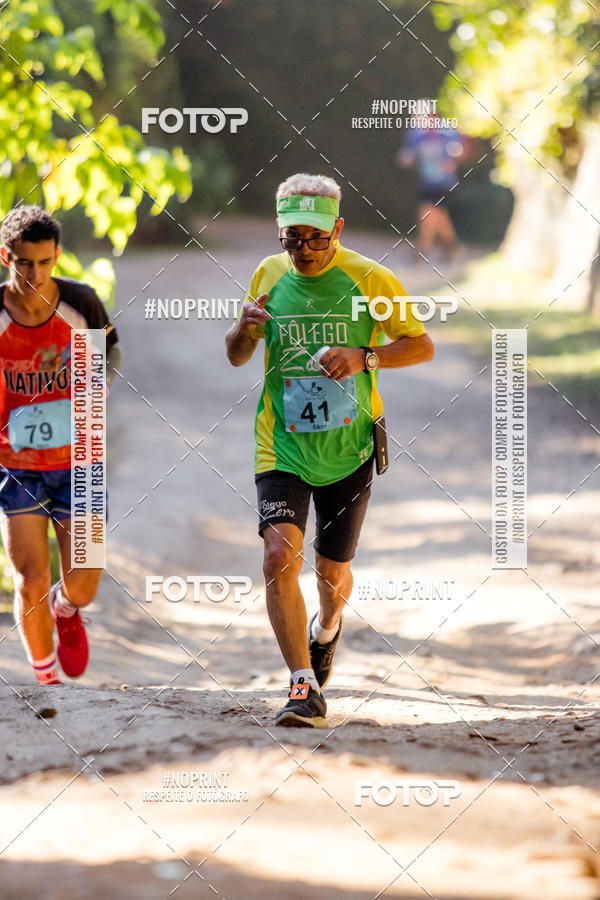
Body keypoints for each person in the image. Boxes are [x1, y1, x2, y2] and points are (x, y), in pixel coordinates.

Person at [225, 173, 434, 727]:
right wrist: (244, 331)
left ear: (337, 228)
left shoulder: (371, 279)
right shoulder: (268, 274)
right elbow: (236, 356)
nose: (303, 250)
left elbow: (421, 345)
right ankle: (302, 687)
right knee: (278, 558)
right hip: (282, 446)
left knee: (330, 573)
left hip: (350, 447)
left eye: (315, 237)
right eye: (292, 237)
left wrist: (364, 356)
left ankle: (327, 628)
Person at [0, 205, 122, 685]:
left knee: (84, 583)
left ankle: (67, 609)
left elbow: (110, 352)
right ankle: (46, 681)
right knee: (29, 577)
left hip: (81, 459)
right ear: (5, 256)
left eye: (45, 263)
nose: (35, 274)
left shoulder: (81, 302)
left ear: (57, 257)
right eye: (24, 263)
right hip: (16, 464)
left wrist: (101, 383)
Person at [397, 115, 465, 259]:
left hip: (444, 183)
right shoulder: (416, 135)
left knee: (427, 212)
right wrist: (407, 159)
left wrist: (455, 158)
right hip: (426, 182)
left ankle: (422, 249)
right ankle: (452, 246)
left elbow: (460, 151)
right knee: (440, 217)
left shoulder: (448, 133)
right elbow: (407, 155)